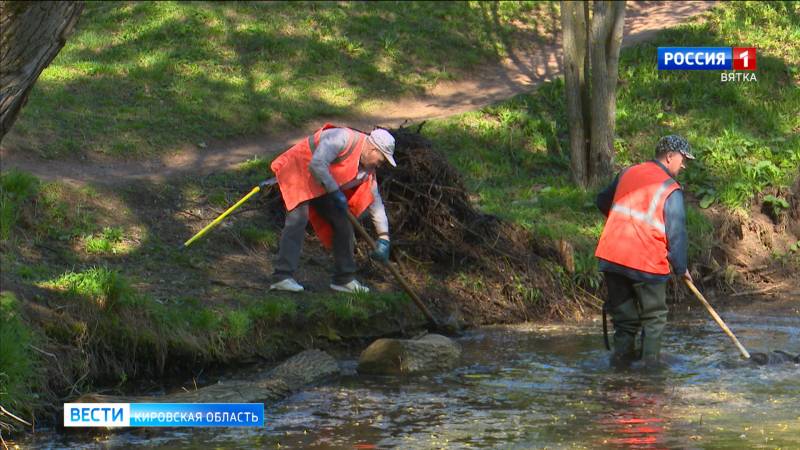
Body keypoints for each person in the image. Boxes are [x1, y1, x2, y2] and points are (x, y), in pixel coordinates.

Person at [594, 135, 695, 369]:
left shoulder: (627, 173)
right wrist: (681, 269)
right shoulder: (671, 189)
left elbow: (602, 201)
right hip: (645, 262)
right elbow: (676, 234)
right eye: (683, 159)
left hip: (612, 257)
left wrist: (624, 221)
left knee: (625, 321)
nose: (684, 165)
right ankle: (650, 377)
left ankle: (619, 372)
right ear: (670, 156)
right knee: (654, 319)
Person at [268, 124, 396, 294]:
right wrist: (335, 192)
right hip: (300, 170)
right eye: (381, 160)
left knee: (342, 222)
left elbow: (376, 202)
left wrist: (384, 237)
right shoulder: (342, 138)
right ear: (373, 149)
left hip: (322, 182)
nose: (379, 165)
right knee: (297, 220)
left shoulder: (367, 170)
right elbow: (317, 163)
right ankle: (282, 277)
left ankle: (344, 279)